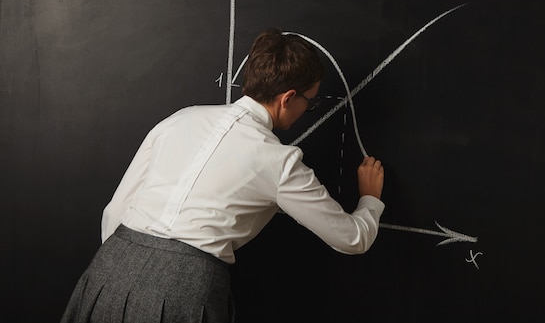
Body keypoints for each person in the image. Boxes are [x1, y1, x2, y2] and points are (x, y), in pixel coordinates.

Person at [60, 28, 385, 323]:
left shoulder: (179, 119)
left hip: (110, 267)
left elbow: (114, 212)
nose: (306, 110)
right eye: (309, 102)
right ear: (288, 98)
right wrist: (369, 198)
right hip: (183, 288)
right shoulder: (278, 159)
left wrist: (128, 267)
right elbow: (351, 239)